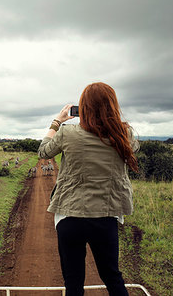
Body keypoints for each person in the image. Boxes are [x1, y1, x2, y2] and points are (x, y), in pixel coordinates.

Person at [37, 82, 139, 296]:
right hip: (106, 216)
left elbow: (44, 152)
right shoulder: (124, 133)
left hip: (70, 215)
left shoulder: (67, 133)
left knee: (73, 282)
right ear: (112, 105)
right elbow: (131, 147)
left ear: (83, 108)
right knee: (112, 277)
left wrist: (56, 122)